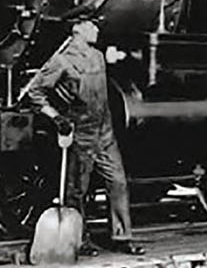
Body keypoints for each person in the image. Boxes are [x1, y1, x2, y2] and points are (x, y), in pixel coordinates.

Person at [26, 18, 144, 256]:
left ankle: (122, 237)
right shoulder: (61, 60)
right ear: (78, 31)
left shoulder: (97, 56)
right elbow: (35, 92)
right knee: (77, 190)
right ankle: (79, 240)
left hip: (105, 132)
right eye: (92, 26)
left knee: (118, 182)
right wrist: (56, 117)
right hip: (81, 132)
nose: (97, 29)